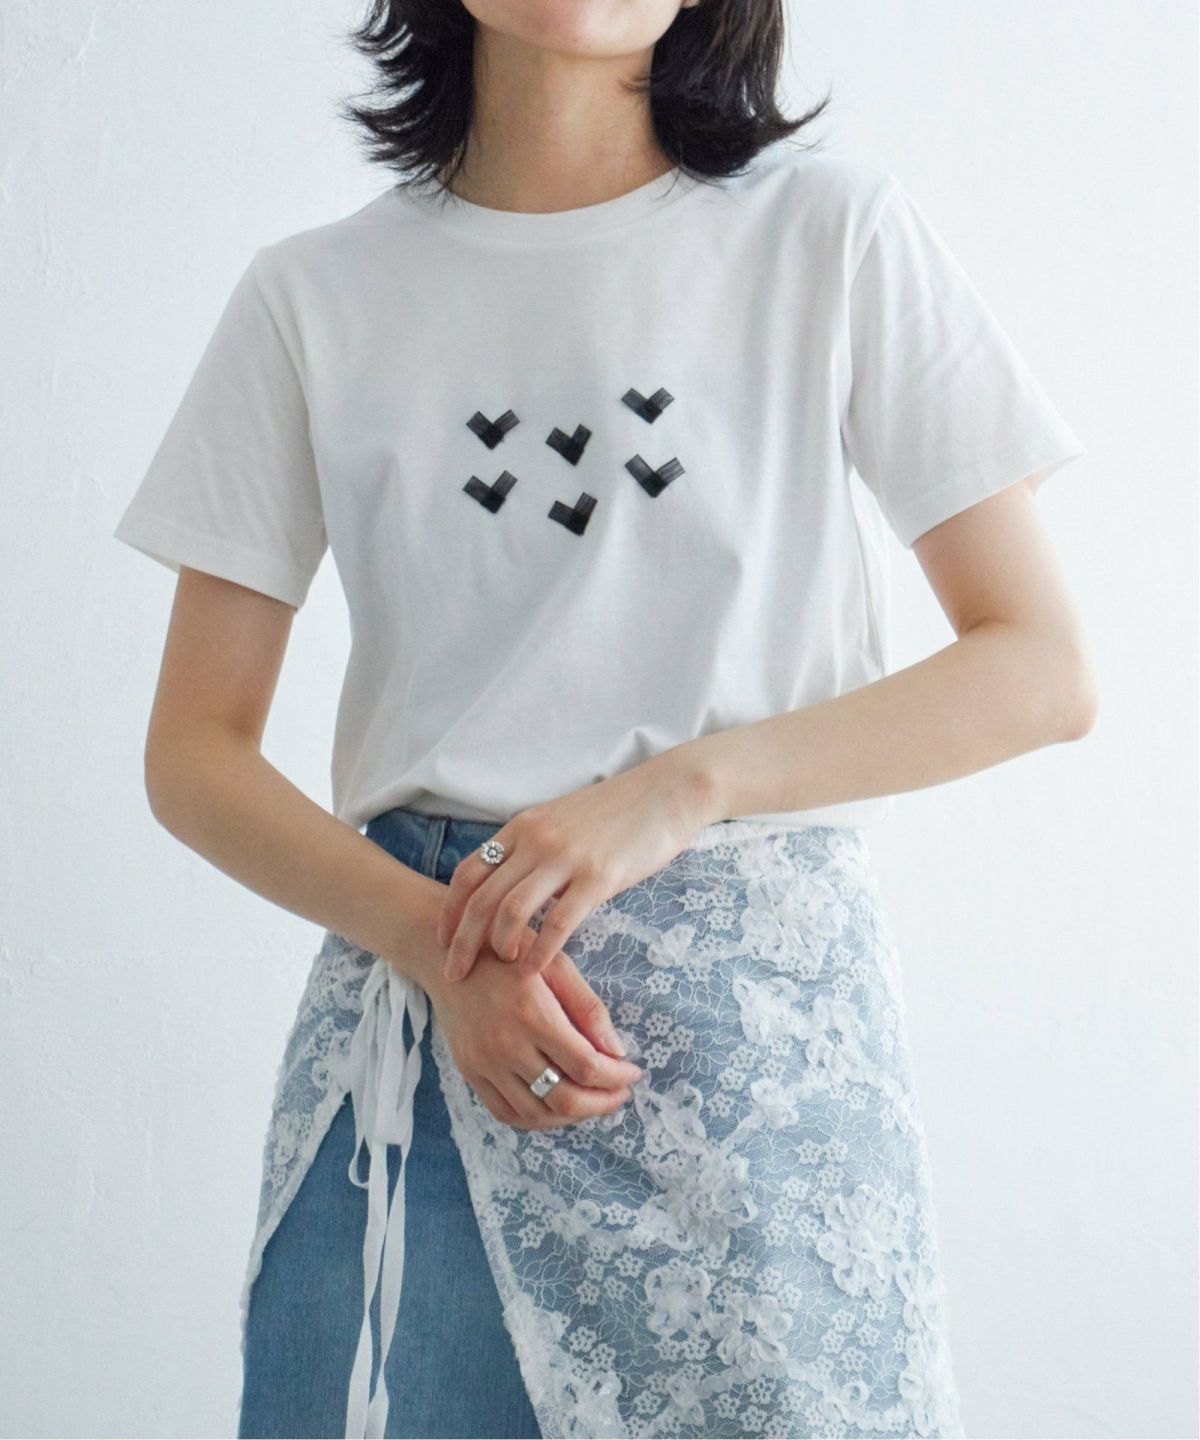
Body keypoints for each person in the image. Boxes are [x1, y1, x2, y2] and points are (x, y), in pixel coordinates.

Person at [112, 1, 1097, 1436]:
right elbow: (193, 752)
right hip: (431, 1040)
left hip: (758, 1074)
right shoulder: (312, 296)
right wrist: (438, 947)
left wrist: (677, 790)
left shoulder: (831, 238)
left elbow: (1041, 668)